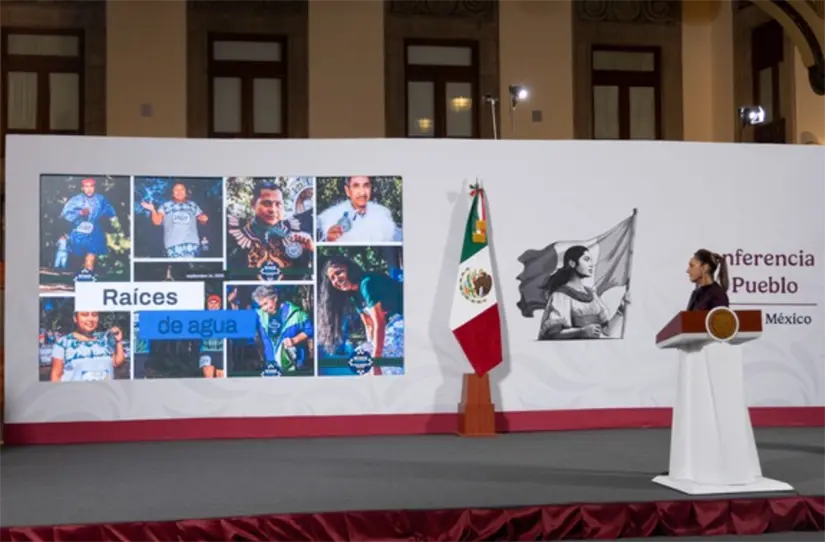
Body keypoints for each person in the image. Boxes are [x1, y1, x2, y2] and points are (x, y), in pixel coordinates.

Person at [318, 256, 404, 374]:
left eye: (339, 272)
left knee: (377, 357)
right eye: (332, 278)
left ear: (350, 269)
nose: (336, 279)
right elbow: (369, 325)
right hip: (392, 326)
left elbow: (379, 323)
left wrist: (376, 361)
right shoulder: (354, 295)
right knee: (360, 357)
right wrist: (371, 348)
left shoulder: (367, 283)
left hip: (403, 320)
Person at [537, 245, 629, 340]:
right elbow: (554, 333)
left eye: (591, 261)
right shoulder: (560, 295)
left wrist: (621, 309)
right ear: (572, 263)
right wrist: (581, 331)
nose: (591, 265)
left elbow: (607, 331)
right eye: (586, 259)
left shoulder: (592, 294)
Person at [228, 182, 314, 280]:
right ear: (252, 204)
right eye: (266, 203)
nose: (273, 209)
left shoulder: (299, 233)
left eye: (278, 204)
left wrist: (311, 250)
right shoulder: (234, 235)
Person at [246, 285, 313, 376]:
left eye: (266, 304)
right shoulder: (259, 315)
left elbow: (310, 330)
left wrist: (294, 340)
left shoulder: (297, 313)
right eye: (261, 306)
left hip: (294, 369)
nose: (264, 309)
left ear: (275, 298)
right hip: (270, 368)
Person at [59, 177, 118, 280]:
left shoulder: (101, 199)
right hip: (78, 233)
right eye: (86, 187)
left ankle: (88, 282)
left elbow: (111, 211)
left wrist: (105, 216)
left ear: (95, 187)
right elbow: (64, 214)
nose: (89, 189)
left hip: (95, 232)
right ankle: (79, 279)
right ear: (82, 188)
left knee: (90, 258)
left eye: (91, 186)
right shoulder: (75, 200)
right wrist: (80, 213)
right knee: (79, 260)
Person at [317, 176, 401, 243]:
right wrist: (328, 240)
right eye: (356, 186)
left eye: (366, 186)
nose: (362, 192)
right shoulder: (331, 217)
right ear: (347, 191)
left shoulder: (383, 215)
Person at [50, 311, 126, 382]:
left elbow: (116, 362)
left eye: (94, 315)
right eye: (85, 315)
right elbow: (55, 378)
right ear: (75, 318)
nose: (90, 319)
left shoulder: (104, 341)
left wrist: (119, 341)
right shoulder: (63, 343)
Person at [140, 182, 208, 258]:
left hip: (192, 245)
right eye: (176, 190)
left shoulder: (193, 205)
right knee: (178, 268)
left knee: (191, 268)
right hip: (173, 246)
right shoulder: (165, 205)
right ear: (172, 193)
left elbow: (203, 221)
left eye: (182, 189)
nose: (179, 192)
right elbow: (157, 222)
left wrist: (203, 218)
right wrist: (152, 210)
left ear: (186, 192)